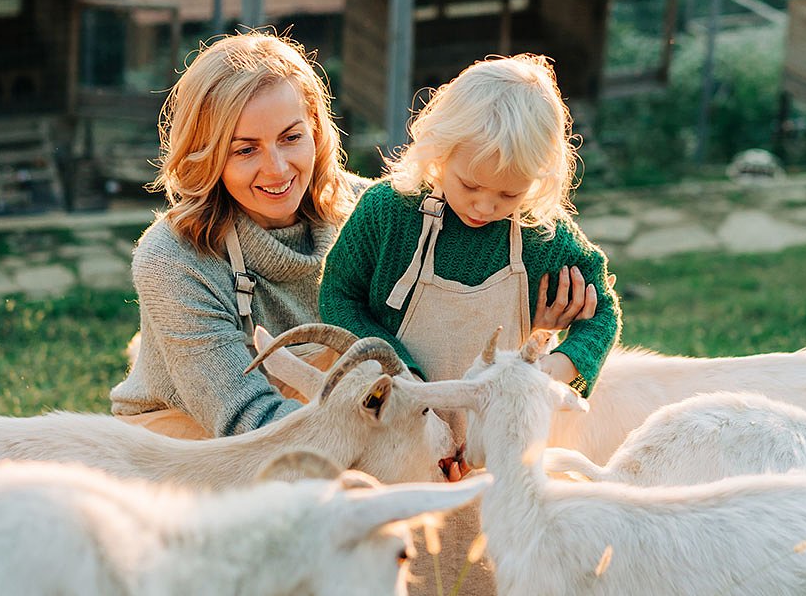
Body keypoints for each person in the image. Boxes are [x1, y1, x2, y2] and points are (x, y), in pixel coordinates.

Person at [110, 33, 367, 439]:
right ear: (206, 154)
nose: (278, 169)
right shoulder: (172, 260)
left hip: (335, 426)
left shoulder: (368, 212)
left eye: (291, 137)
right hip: (188, 444)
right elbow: (248, 420)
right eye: (245, 150)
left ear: (316, 130)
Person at [319, 53, 621, 397]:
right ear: (440, 151)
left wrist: (563, 366)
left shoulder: (542, 237)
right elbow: (338, 296)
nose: (485, 206)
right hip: (395, 411)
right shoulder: (387, 212)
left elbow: (603, 312)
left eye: (509, 193)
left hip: (495, 432)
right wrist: (398, 369)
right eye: (470, 185)